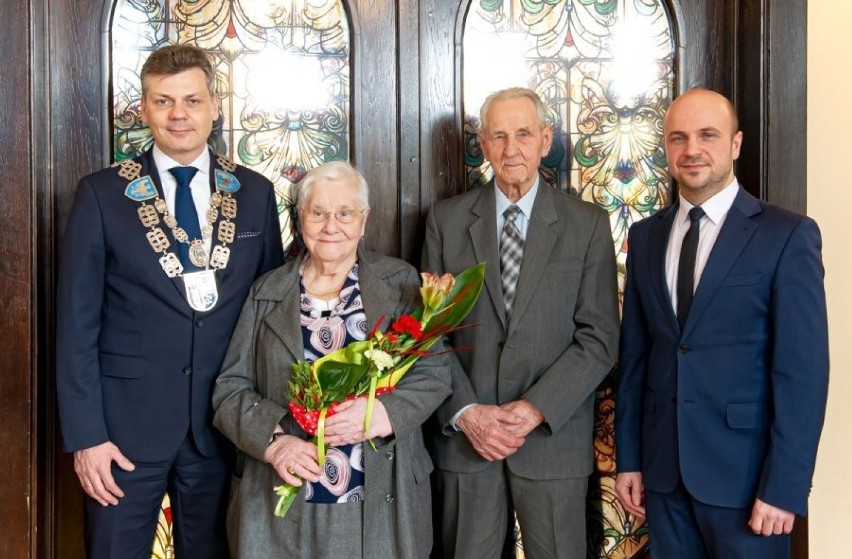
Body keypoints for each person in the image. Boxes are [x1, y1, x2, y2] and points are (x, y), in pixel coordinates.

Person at [56, 44, 284, 558]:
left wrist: (270, 424)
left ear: (215, 106)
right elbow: (76, 325)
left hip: (223, 428)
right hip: (122, 434)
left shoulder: (254, 192)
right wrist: (87, 437)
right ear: (145, 108)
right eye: (164, 102)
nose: (179, 115)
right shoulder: (101, 195)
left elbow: (270, 315)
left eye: (191, 100)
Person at [614, 88, 829, 558]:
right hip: (663, 478)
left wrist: (785, 487)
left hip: (750, 485)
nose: (692, 149)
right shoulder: (645, 237)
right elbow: (635, 359)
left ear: (735, 144)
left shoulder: (787, 234)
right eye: (678, 137)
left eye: (707, 135)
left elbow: (803, 374)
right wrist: (628, 460)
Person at [212, 161, 452, 558]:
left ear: (364, 219)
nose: (330, 226)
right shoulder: (267, 291)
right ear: (300, 217)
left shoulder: (400, 283)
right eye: (318, 213)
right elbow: (229, 389)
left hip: (379, 495)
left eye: (344, 213)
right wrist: (275, 442)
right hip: (282, 499)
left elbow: (435, 372)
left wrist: (383, 415)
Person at [421, 87, 620, 558]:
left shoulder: (587, 224)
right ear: (484, 145)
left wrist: (534, 408)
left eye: (524, 134)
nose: (512, 149)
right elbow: (428, 334)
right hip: (468, 446)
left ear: (545, 139)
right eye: (499, 136)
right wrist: (467, 414)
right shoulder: (446, 222)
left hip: (553, 441)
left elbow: (599, 338)